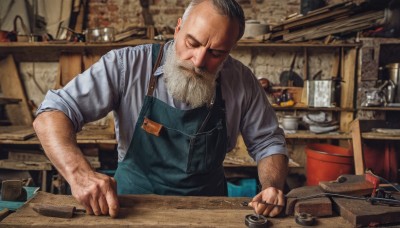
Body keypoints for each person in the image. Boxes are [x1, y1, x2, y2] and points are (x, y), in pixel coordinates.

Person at [33, 0, 288, 219]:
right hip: (129, 209)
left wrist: (272, 186)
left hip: (209, 211)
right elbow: (52, 113)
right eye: (192, 43)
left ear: (230, 50)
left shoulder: (241, 81)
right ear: (178, 29)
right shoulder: (127, 66)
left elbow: (268, 141)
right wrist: (79, 174)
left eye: (216, 53)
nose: (199, 61)